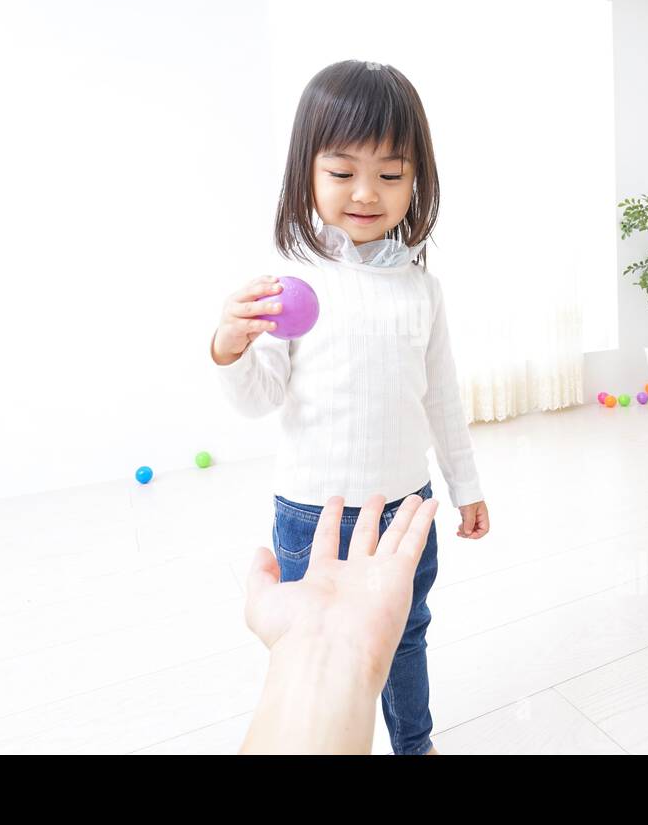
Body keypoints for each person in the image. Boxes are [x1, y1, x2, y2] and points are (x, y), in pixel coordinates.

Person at [210, 59, 491, 754]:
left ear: (416, 179)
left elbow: (443, 398)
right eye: (342, 172)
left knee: (407, 632)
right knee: (321, 644)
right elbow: (259, 399)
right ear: (306, 171)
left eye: (391, 175)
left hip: (408, 509)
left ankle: (414, 743)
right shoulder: (291, 280)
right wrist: (229, 346)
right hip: (315, 514)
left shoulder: (421, 289)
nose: (366, 193)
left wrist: (468, 489)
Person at [240, 492, 438, 754]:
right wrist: (324, 653)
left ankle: (416, 746)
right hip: (309, 501)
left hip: (408, 491)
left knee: (410, 635)